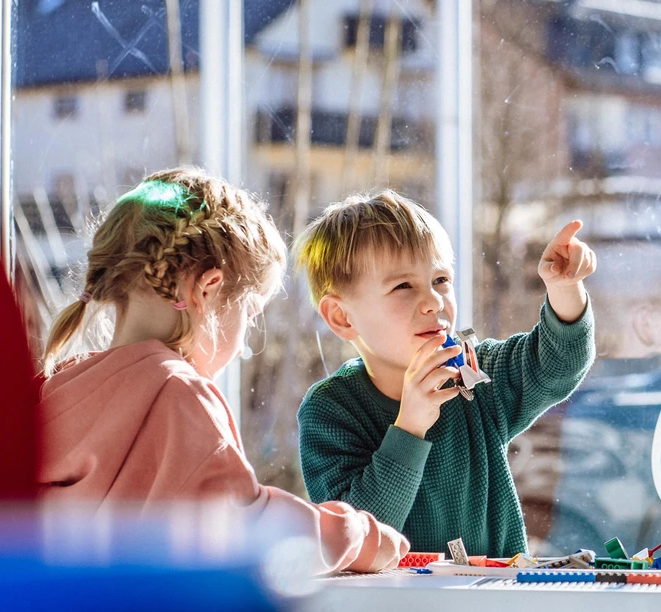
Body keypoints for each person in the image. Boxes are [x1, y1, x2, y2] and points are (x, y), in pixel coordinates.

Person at [39, 168, 406, 573]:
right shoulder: (178, 394)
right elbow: (252, 533)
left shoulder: (56, 388)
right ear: (207, 289)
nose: (246, 335)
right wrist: (361, 538)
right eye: (250, 312)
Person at [295, 189, 595, 557]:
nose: (434, 301)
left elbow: (557, 364)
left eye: (441, 280)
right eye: (403, 286)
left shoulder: (473, 371)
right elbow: (357, 542)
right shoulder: (330, 411)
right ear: (342, 317)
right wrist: (410, 427)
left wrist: (564, 289)